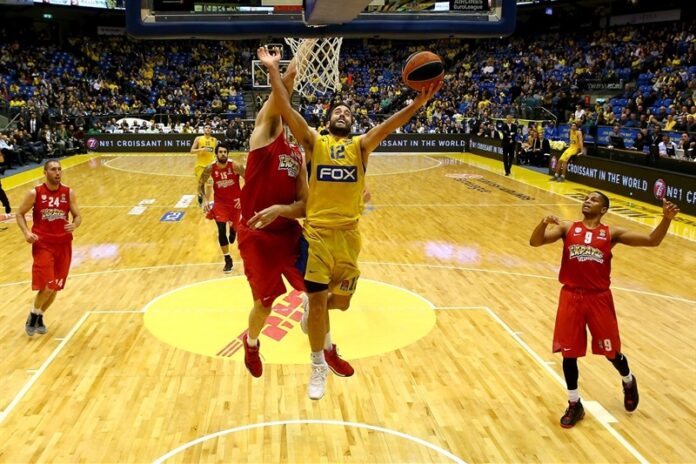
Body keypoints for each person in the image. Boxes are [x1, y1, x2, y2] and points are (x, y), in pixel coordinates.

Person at [258, 45, 441, 400]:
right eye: (337, 111)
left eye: (347, 112)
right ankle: (317, 366)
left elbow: (389, 125)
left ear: (352, 123)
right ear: (328, 120)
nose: (342, 113)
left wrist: (418, 103)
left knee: (339, 304)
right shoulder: (314, 142)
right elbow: (285, 108)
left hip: (348, 239)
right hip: (316, 238)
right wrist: (273, 71)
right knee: (319, 301)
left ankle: (313, 309)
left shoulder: (361, 146)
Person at [529, 192, 680, 428]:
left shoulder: (611, 233)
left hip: (598, 299)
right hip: (570, 296)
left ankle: (628, 380)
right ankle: (574, 403)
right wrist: (543, 223)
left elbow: (652, 240)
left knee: (611, 352)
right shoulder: (567, 228)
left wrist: (666, 219)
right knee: (569, 353)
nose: (587, 201)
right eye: (586, 198)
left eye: (594, 199)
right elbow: (535, 242)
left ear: (603, 210)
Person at [239, 52, 311, 379]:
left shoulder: (297, 154)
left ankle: (322, 339)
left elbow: (304, 205)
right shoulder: (264, 133)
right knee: (264, 305)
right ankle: (251, 343)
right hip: (257, 237)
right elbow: (285, 89)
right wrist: (278, 67)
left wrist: (282, 210)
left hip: (288, 233)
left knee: (319, 288)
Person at [16, 160, 82, 336]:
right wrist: (26, 232)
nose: (57, 172)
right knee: (48, 285)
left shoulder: (68, 192)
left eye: (59, 169)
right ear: (45, 172)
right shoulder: (35, 193)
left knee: (56, 286)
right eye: (53, 169)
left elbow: (78, 216)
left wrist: (75, 224)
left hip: (64, 244)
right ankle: (33, 315)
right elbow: (19, 214)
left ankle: (39, 316)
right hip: (43, 244)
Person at [198, 143, 245, 273]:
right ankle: (227, 259)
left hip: (235, 203)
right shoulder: (210, 168)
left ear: (228, 154)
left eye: (225, 152)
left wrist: (243, 198)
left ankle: (233, 229)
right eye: (220, 152)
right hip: (220, 203)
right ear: (216, 154)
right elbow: (200, 184)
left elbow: (250, 180)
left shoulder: (235, 166)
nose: (223, 154)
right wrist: (205, 199)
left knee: (233, 229)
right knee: (221, 230)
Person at [190, 124, 218, 207]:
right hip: (200, 166)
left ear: (211, 130)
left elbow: (216, 152)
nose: (208, 129)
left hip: (210, 166)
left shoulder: (214, 140)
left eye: (209, 128)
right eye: (206, 128)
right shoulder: (198, 138)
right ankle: (200, 195)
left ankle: (207, 201)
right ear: (203, 129)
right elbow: (191, 151)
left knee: (209, 185)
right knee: (200, 184)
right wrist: (202, 149)